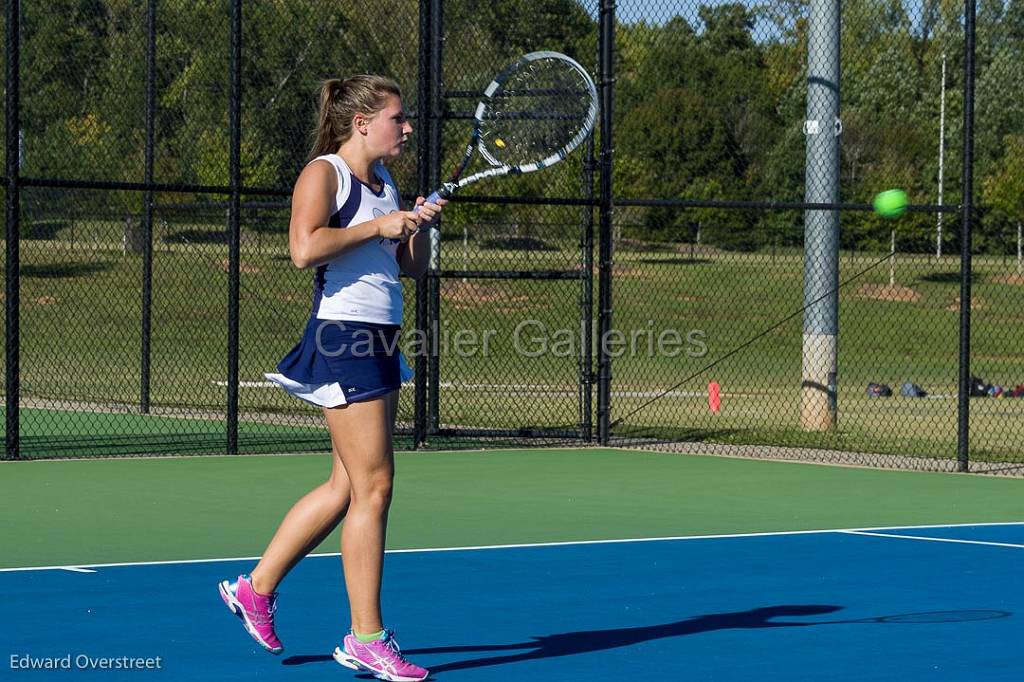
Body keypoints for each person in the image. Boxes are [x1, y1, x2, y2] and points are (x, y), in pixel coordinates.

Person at [218, 74, 444, 682]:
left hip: (381, 337)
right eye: (398, 117)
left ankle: (255, 588)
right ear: (362, 122)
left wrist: (416, 226)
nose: (406, 127)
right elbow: (303, 248)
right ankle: (365, 636)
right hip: (344, 337)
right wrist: (378, 226)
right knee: (375, 489)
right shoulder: (326, 174)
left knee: (348, 487)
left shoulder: (386, 182)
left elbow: (409, 268)